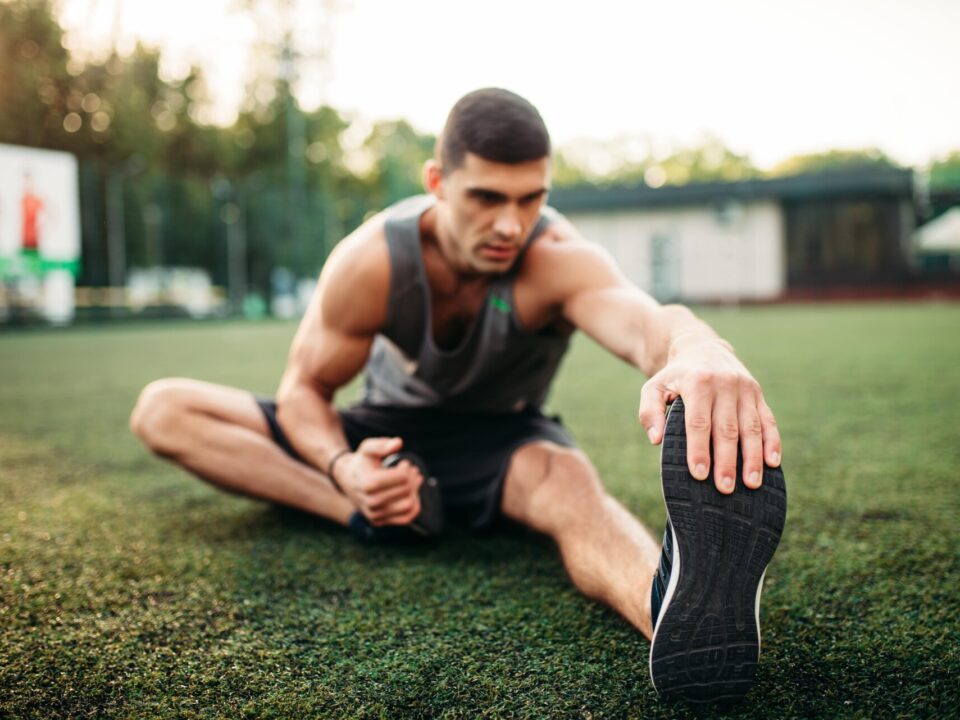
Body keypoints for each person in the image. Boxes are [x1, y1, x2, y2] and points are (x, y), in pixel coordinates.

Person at [130, 88, 786, 703]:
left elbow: (645, 325)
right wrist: (344, 469)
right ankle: (358, 510)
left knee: (570, 484)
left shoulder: (557, 258)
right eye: (487, 197)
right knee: (164, 408)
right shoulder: (372, 262)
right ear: (437, 184)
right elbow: (304, 390)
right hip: (383, 434)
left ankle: (675, 615)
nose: (511, 223)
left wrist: (698, 345)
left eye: (531, 198)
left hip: (502, 440)